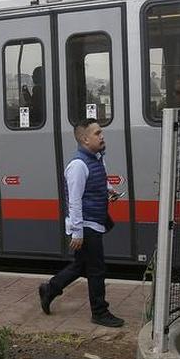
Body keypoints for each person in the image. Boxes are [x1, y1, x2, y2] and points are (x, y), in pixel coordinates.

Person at [38, 119, 125, 328]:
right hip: (86, 225)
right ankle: (99, 312)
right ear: (85, 139)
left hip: (94, 221)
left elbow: (99, 180)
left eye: (101, 132)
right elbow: (74, 201)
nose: (102, 136)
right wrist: (77, 232)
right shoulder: (77, 165)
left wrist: (109, 189)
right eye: (97, 133)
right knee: (96, 269)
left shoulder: (96, 158)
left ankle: (50, 289)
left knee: (81, 265)